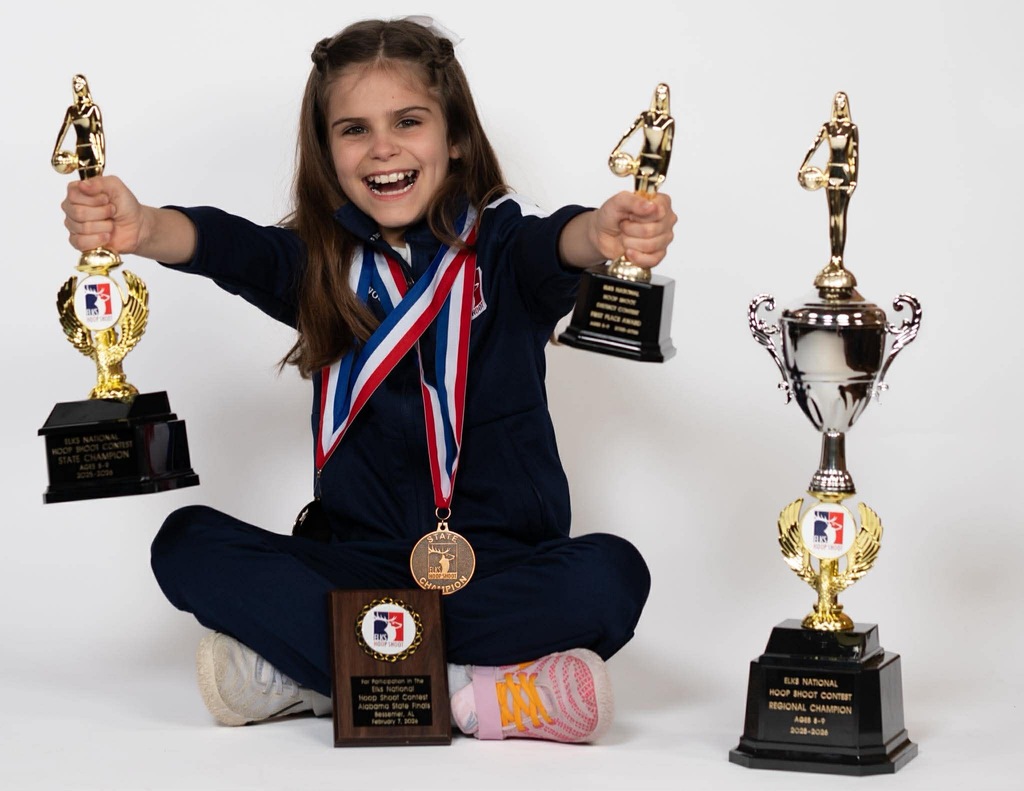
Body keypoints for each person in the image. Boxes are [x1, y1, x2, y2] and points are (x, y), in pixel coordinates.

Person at [60, 18, 676, 744]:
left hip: (500, 563)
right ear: (328, 153)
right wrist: (144, 227)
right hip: (357, 565)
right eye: (353, 130)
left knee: (611, 574)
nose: (382, 147)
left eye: (408, 121)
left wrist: (599, 234)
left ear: (455, 139)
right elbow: (232, 247)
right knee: (185, 543)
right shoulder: (320, 265)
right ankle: (479, 693)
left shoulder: (504, 249)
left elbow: (559, 245)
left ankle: (325, 675)